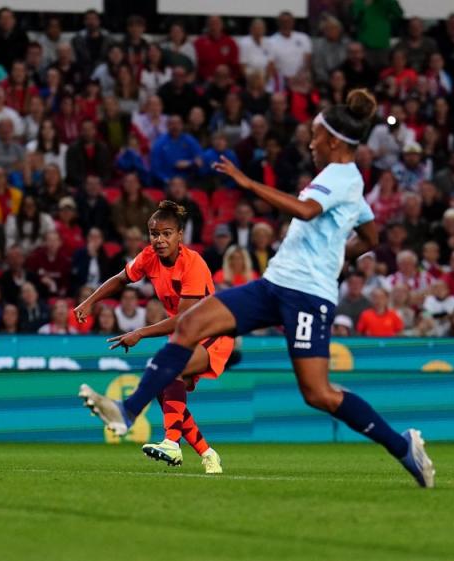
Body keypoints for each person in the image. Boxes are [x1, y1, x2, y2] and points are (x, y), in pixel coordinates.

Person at [80, 89, 435, 487]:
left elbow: (304, 210)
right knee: (189, 325)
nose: (311, 142)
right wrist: (339, 254)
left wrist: (246, 183)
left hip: (307, 296)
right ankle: (127, 411)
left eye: (316, 135)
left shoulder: (339, 176)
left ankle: (402, 447)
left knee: (318, 393)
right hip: (275, 283)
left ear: (334, 141)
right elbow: (369, 236)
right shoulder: (346, 180)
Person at [76, 201, 231, 472]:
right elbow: (120, 278)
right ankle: (207, 453)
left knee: (168, 371)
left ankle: (171, 443)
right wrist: (90, 301)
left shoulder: (193, 264)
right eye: (154, 234)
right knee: (165, 386)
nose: (159, 240)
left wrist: (140, 333)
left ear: (180, 235)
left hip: (213, 332)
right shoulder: (149, 256)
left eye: (166, 233)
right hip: (189, 333)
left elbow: (184, 318)